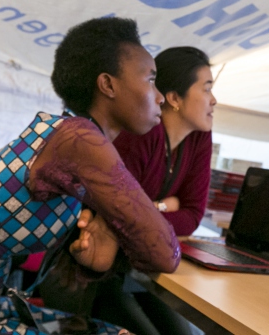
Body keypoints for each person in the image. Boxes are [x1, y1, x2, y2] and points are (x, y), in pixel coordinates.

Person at [0, 17, 180, 335]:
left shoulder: (69, 135)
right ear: (108, 85)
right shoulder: (79, 141)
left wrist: (93, 261)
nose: (160, 96)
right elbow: (165, 254)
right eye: (150, 79)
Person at [89, 46, 215, 335]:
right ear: (173, 99)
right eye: (207, 89)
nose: (214, 100)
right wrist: (164, 206)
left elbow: (193, 215)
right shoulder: (142, 133)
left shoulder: (200, 137)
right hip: (97, 272)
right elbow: (120, 218)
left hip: (141, 271)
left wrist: (148, 209)